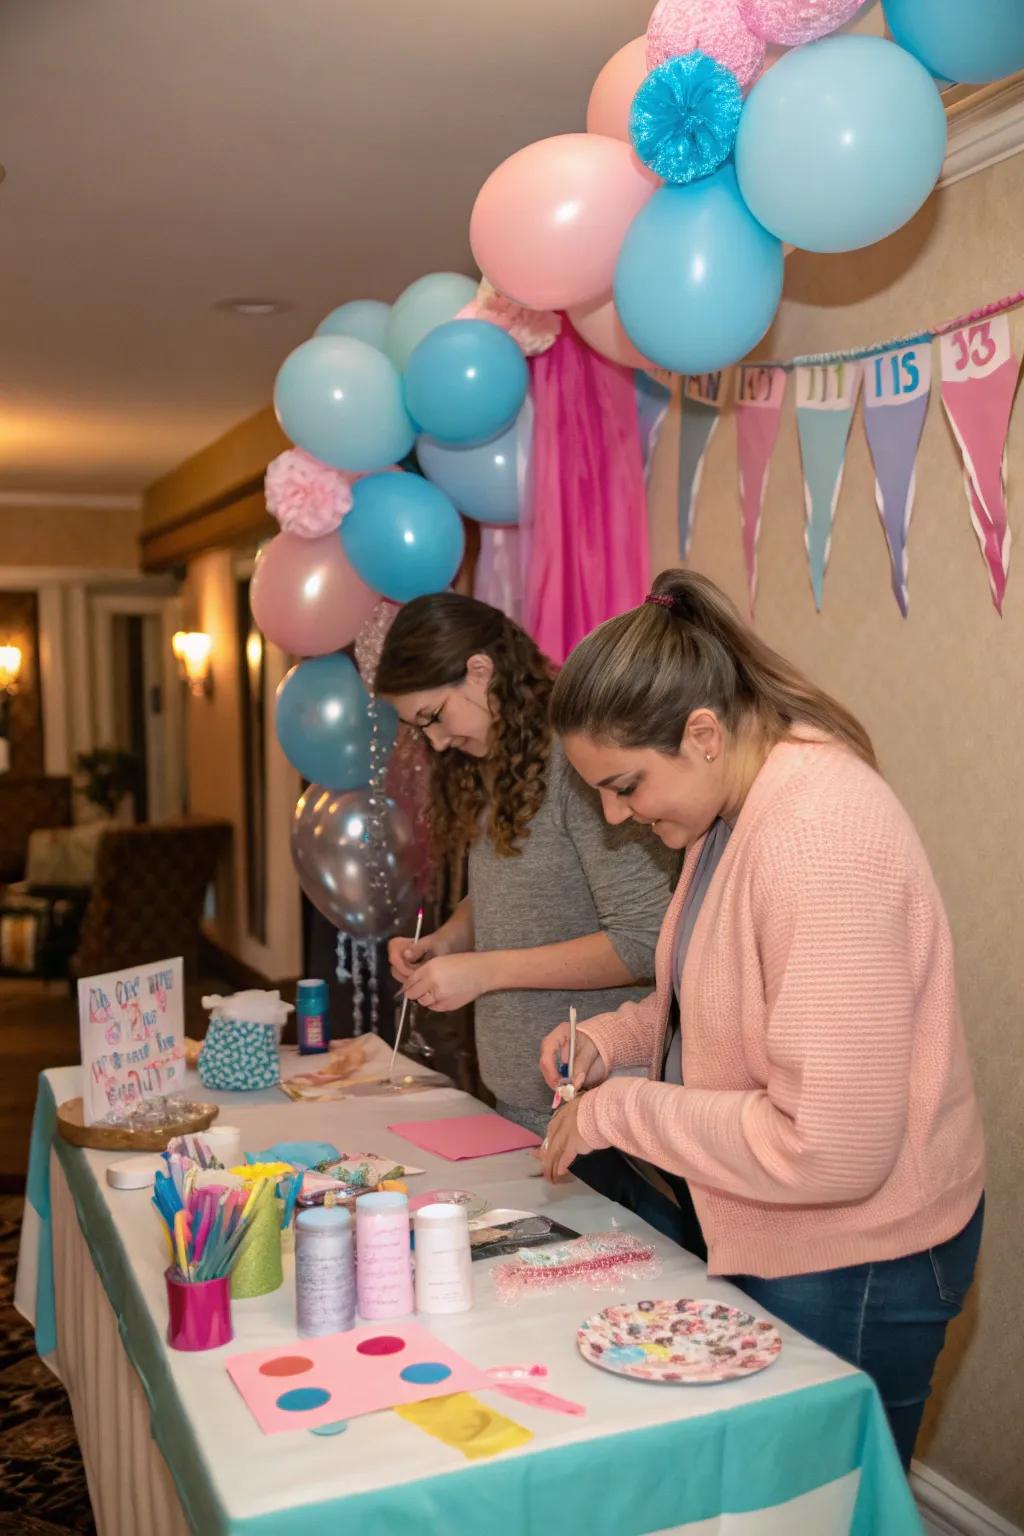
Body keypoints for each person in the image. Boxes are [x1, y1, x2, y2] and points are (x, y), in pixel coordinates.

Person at [537, 568, 985, 1469]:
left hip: (857, 1254)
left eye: (625, 784)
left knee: (813, 1498)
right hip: (779, 1226)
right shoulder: (726, 813)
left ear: (702, 733)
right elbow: (704, 1000)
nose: (617, 814)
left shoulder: (816, 834)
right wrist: (614, 1043)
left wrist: (616, 1110)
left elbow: (828, 1147)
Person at [375, 592, 678, 1145]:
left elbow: (645, 939)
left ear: (481, 671)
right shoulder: (496, 761)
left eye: (434, 716)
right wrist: (449, 940)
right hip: (521, 1097)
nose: (437, 741)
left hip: (597, 1106)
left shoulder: (579, 764)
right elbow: (509, 891)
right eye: (421, 729)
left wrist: (486, 970)